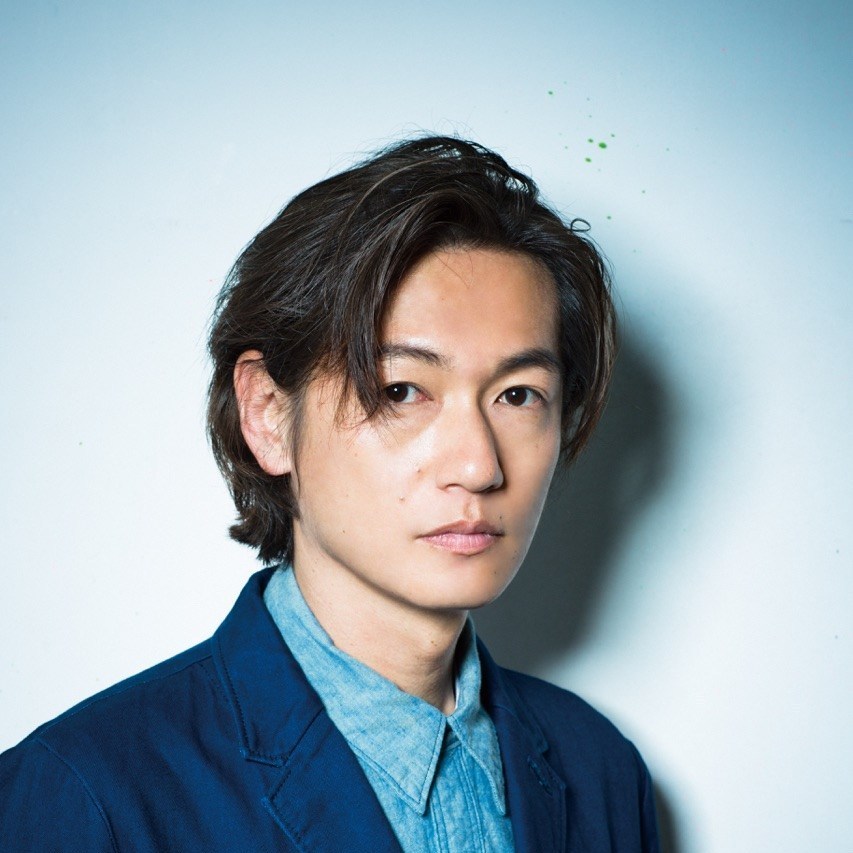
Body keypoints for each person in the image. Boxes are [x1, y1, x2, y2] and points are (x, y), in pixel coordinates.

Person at [0, 136, 660, 851]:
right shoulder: (86, 792)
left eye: (518, 394)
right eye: (401, 390)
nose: (477, 465)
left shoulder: (599, 768)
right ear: (268, 413)